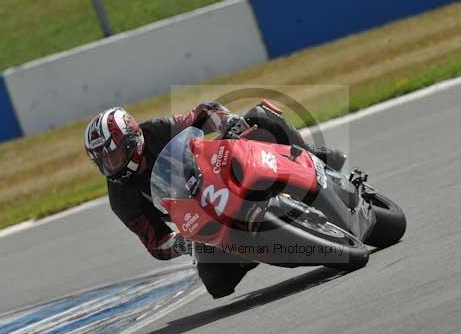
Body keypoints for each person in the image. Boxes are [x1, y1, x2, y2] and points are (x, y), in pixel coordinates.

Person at [84, 101, 346, 298]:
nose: (111, 166)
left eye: (113, 156)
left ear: (134, 140)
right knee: (216, 284)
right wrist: (184, 242)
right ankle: (250, 253)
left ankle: (314, 157)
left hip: (219, 173)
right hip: (203, 220)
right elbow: (156, 243)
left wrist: (226, 122)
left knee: (258, 117)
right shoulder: (121, 198)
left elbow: (203, 114)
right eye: (103, 162)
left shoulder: (157, 130)